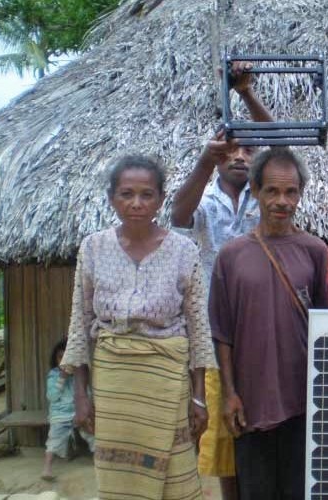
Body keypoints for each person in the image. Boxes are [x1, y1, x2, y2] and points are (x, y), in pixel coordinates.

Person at [61, 154, 217, 500]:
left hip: (167, 379)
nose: (136, 203)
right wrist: (81, 397)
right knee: (121, 478)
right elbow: (80, 322)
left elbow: (198, 328)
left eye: (146, 194)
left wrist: (199, 398)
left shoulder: (183, 250)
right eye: (126, 194)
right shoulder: (93, 248)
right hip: (113, 383)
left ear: (161, 199)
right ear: (111, 198)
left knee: (175, 471)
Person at [170, 61, 273, 500]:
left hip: (264, 329)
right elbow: (177, 217)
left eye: (248, 152)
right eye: (230, 150)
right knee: (224, 439)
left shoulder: (269, 191)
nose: (240, 157)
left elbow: (279, 139)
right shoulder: (204, 196)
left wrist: (246, 92)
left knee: (264, 425)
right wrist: (203, 162)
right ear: (217, 154)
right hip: (216, 338)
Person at [208, 147, 328, 500]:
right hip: (251, 401)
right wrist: (230, 394)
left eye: (291, 192)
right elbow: (222, 333)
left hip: (303, 402)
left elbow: (324, 326)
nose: (282, 200)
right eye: (272, 191)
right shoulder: (231, 255)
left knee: (299, 491)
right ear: (256, 191)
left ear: (300, 195)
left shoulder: (315, 250)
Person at [42, 338, 95, 481]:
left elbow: (86, 393)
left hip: (77, 412)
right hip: (60, 414)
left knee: (91, 434)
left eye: (67, 358)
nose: (64, 361)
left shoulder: (79, 375)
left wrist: (88, 408)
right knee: (54, 439)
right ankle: (47, 469)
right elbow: (52, 396)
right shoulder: (53, 375)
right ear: (56, 359)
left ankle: (99, 460)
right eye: (60, 357)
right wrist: (62, 377)